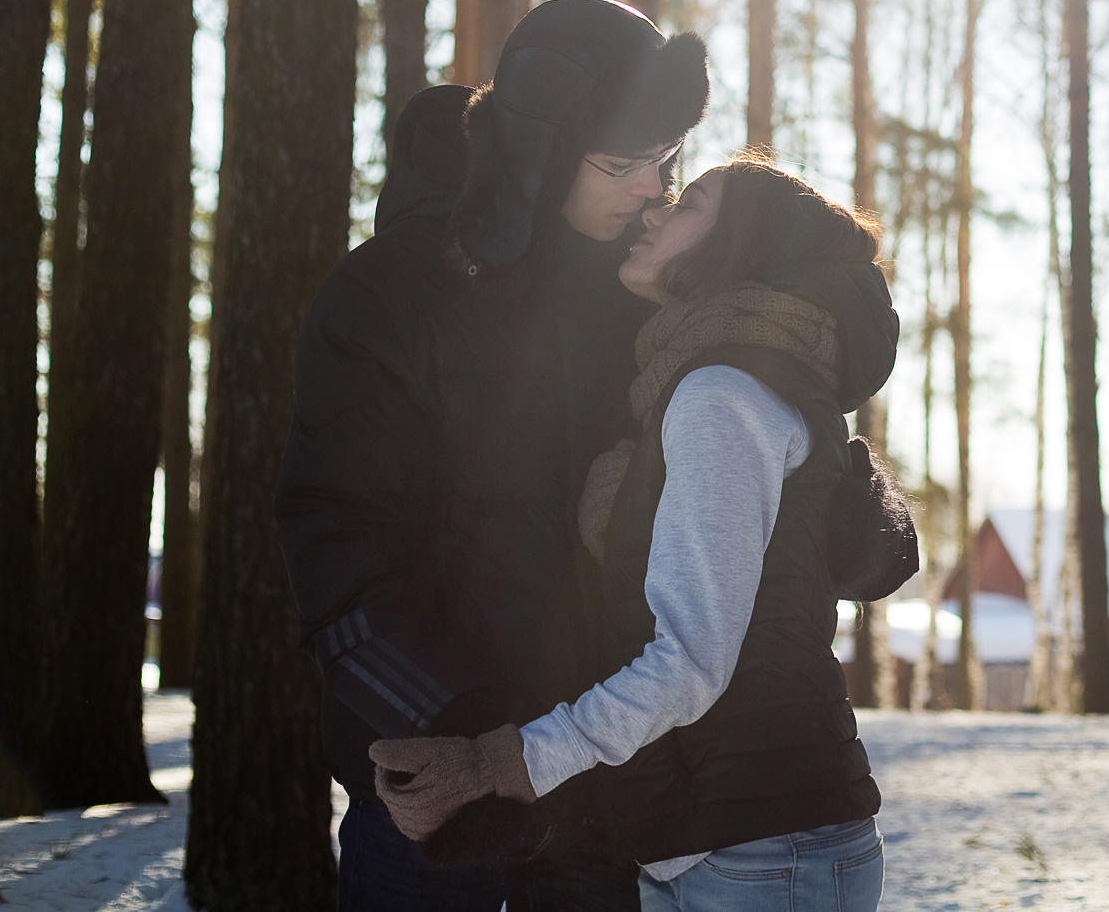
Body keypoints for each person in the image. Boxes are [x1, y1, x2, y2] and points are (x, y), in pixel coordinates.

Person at [367, 155, 902, 912]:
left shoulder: (723, 393)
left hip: (759, 848)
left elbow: (688, 659)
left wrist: (501, 764)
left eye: (689, 205)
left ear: (737, 246)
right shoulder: (731, 379)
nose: (655, 211)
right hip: (742, 841)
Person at [278, 0, 711, 912]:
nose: (651, 188)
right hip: (437, 793)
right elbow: (341, 540)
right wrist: (449, 735)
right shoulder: (389, 292)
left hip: (600, 779)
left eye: (665, 160)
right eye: (623, 162)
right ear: (541, 145)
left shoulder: (646, 295)